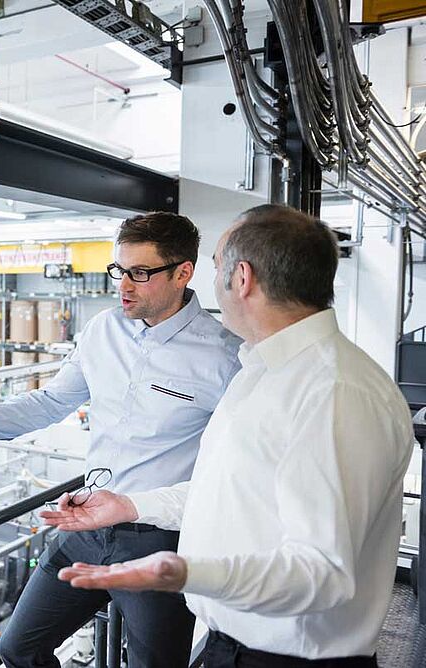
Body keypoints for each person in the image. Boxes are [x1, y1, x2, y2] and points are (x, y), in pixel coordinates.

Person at [44, 204, 415, 667]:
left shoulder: (334, 393)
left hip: (284, 660)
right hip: (236, 645)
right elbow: (226, 491)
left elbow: (322, 573)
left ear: (242, 278)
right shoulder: (262, 373)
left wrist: (184, 572)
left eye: (216, 266)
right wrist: (131, 505)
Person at [0, 212, 242, 668]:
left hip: (159, 539)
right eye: (119, 270)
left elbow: (233, 469)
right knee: (18, 649)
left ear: (183, 272)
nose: (124, 285)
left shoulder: (224, 355)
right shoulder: (102, 330)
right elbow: (49, 402)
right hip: (86, 525)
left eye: (140, 273)